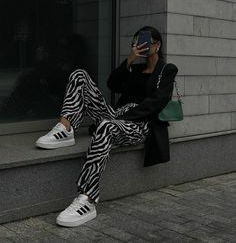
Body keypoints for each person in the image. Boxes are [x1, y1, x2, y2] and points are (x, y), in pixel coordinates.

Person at [35, 26, 178, 227]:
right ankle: (65, 127)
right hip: (117, 115)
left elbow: (157, 102)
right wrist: (129, 61)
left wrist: (123, 118)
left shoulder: (167, 70)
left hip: (141, 123)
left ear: (157, 45)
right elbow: (113, 85)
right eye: (138, 42)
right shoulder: (135, 68)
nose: (141, 45)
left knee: (106, 128)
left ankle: (87, 200)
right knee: (79, 75)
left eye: (146, 42)